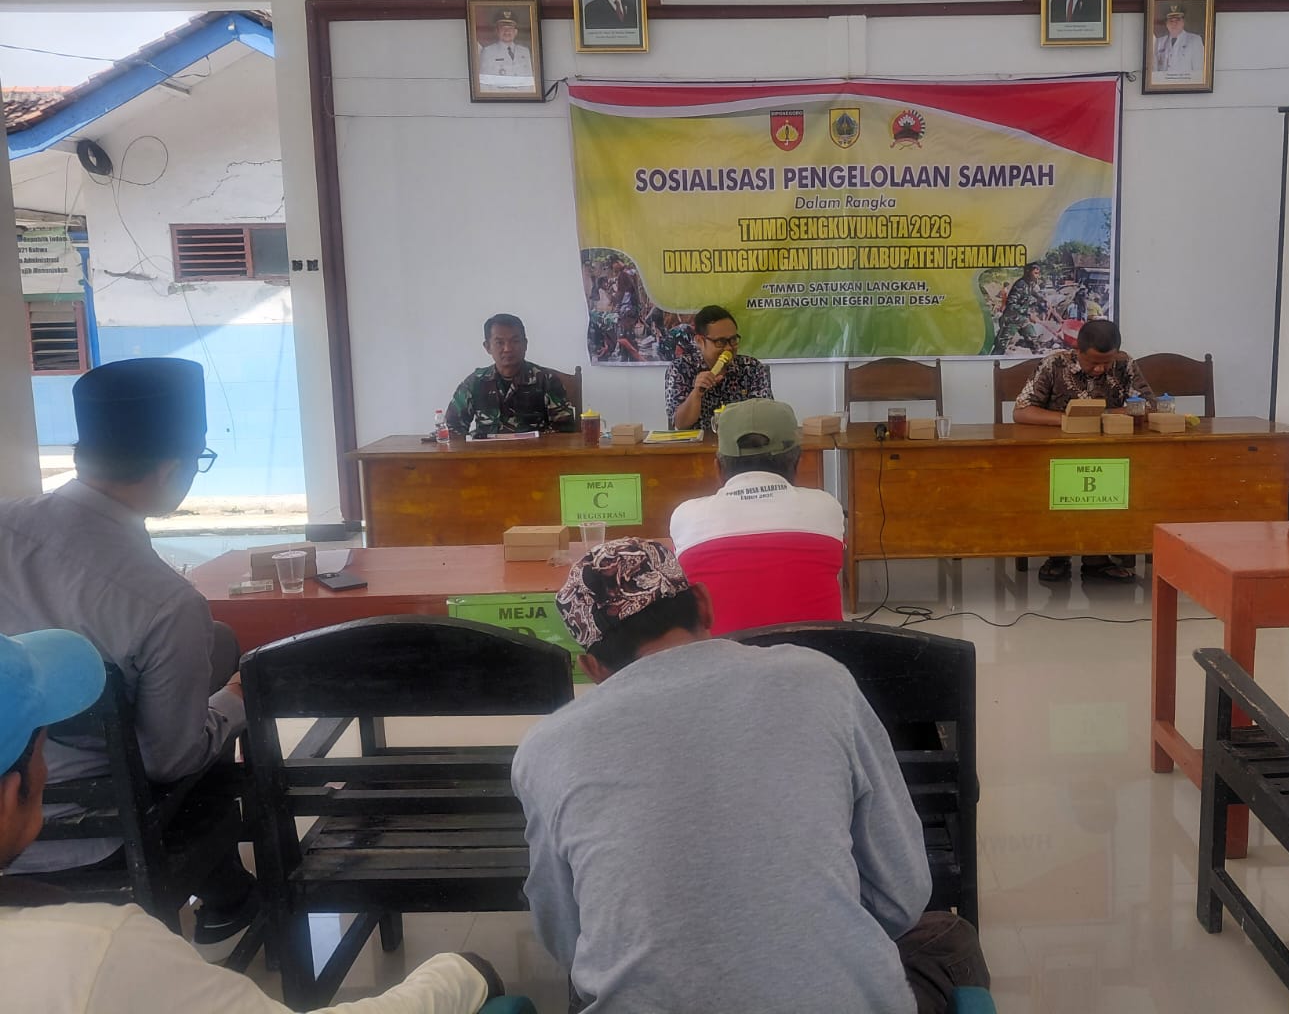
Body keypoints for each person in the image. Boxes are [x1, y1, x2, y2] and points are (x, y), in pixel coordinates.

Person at [511, 538, 989, 1013]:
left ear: (592, 668)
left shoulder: (546, 747)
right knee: (948, 937)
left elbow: (567, 940)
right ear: (704, 603)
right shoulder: (819, 681)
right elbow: (901, 897)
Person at [0, 627, 504, 1013]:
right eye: (46, 746)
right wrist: (458, 975)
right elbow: (172, 757)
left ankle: (229, 898)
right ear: (10, 797)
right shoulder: (94, 952)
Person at [0, 358, 257, 955]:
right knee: (214, 720)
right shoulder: (166, 603)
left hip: (18, 802)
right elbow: (170, 761)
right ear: (170, 470)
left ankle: (228, 890)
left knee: (214, 642)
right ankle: (227, 890)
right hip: (82, 835)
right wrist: (236, 700)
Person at [669, 399, 845, 631]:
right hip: (819, 652)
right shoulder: (826, 507)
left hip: (723, 655)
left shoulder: (685, 516)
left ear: (718, 468)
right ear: (798, 463)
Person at [1013, 319, 1155, 584]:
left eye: (1106, 362)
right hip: (1059, 452)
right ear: (1077, 349)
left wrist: (1104, 415)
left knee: (1115, 482)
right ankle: (1058, 554)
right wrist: (1071, 420)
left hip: (1110, 452)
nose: (1100, 369)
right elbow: (1022, 411)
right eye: (1093, 362)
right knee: (1061, 485)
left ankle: (1097, 557)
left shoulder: (1124, 364)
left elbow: (1149, 406)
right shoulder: (1054, 364)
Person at [445, 313, 578, 437]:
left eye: (515, 341)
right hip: (487, 453)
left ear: (525, 344)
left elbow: (564, 432)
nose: (508, 349)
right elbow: (452, 429)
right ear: (487, 347)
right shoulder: (474, 382)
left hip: (534, 453)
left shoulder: (546, 380)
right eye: (499, 342)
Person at [665, 304, 772, 431]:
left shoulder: (752, 368)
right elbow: (680, 425)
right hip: (700, 442)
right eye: (720, 342)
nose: (729, 348)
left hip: (742, 441)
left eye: (733, 340)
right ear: (700, 341)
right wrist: (697, 393)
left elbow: (765, 416)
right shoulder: (680, 368)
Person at [994, 262, 1049, 353]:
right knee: (1001, 346)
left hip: (1022, 319)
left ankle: (1037, 358)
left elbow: (1032, 293)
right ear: (1028, 272)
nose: (1037, 276)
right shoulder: (1020, 284)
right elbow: (1011, 304)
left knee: (1034, 341)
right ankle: (992, 360)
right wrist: (1029, 313)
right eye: (1035, 273)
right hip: (1011, 320)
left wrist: (1043, 300)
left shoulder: (1030, 284)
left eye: (1038, 273)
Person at [478, 9, 534, 84]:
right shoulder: (488, 52)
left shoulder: (525, 51)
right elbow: (484, 82)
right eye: (503, 28)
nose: (507, 31)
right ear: (497, 31)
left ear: (515, 32)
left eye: (510, 28)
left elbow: (530, 80)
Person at [1152, 3, 1205, 78]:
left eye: (1177, 20)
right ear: (1166, 24)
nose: (1174, 23)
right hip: (1164, 83)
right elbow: (1155, 70)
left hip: (1185, 83)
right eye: (1171, 21)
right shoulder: (1159, 42)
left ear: (1183, 22)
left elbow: (1199, 71)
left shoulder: (1195, 40)